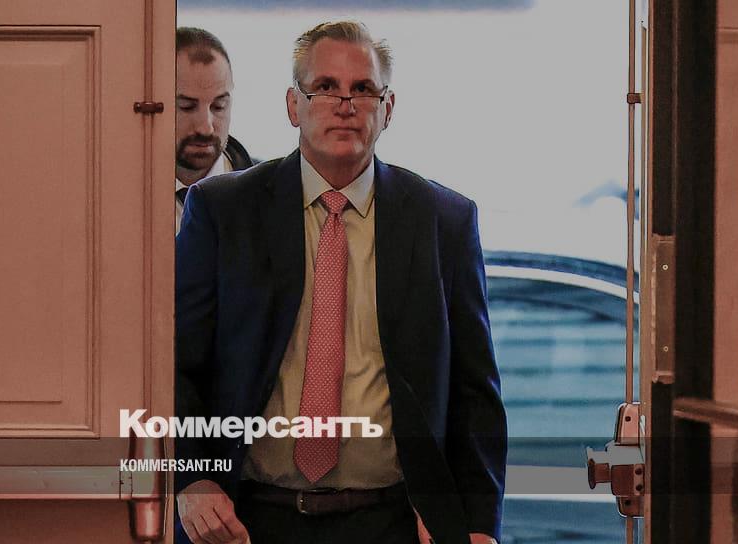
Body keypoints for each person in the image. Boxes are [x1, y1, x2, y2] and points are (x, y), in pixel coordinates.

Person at [175, 20, 506, 544]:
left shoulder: (443, 220)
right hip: (250, 518)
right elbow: (176, 364)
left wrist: (477, 525)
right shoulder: (224, 210)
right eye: (325, 87)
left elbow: (475, 389)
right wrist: (191, 478)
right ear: (294, 105)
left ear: (388, 108)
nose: (345, 105)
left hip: (392, 522)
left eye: (363, 89)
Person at [175, 27, 253, 233]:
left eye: (219, 106)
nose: (206, 127)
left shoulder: (272, 193)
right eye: (186, 107)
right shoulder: (115, 192)